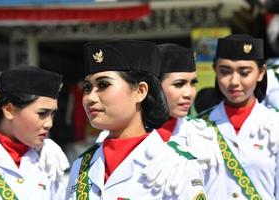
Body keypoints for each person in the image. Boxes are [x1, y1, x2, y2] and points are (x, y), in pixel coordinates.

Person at [65, 40, 206, 199]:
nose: (90, 97)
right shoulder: (82, 165)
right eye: (87, 88)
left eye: (103, 85)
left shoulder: (177, 165)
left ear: (140, 91)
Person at [139, 43, 226, 199]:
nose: (189, 93)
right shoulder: (120, 134)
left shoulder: (203, 138)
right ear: (153, 87)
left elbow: (216, 193)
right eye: (179, 84)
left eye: (193, 83)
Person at [200, 34, 279, 199]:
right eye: (225, 71)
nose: (234, 81)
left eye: (244, 72)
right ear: (215, 70)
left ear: (261, 73)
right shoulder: (198, 127)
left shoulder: (275, 124)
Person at [0, 65, 69, 200]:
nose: (49, 124)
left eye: (52, 114)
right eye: (42, 113)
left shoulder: (48, 159)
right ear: (9, 110)